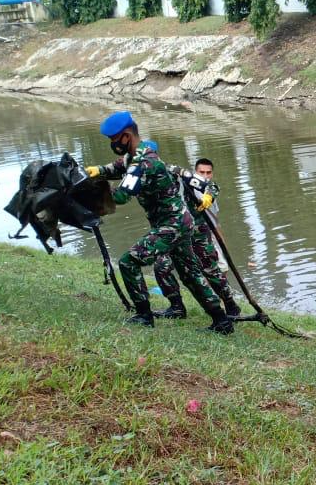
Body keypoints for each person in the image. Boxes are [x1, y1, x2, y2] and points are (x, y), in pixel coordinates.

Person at [86, 112, 233, 334]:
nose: (112, 143)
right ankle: (222, 321)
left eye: (114, 139)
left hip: (173, 224)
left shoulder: (144, 163)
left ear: (126, 136)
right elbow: (116, 168)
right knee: (190, 274)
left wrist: (89, 197)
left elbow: (121, 196)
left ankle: (144, 316)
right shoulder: (134, 157)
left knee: (128, 262)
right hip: (177, 222)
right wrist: (97, 171)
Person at [152, 158, 241, 319]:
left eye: (208, 172)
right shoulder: (157, 177)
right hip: (174, 232)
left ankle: (230, 305)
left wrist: (208, 198)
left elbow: (212, 192)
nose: (205, 175)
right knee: (161, 265)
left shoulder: (188, 178)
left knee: (212, 270)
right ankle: (176, 307)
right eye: (202, 172)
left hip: (199, 234)